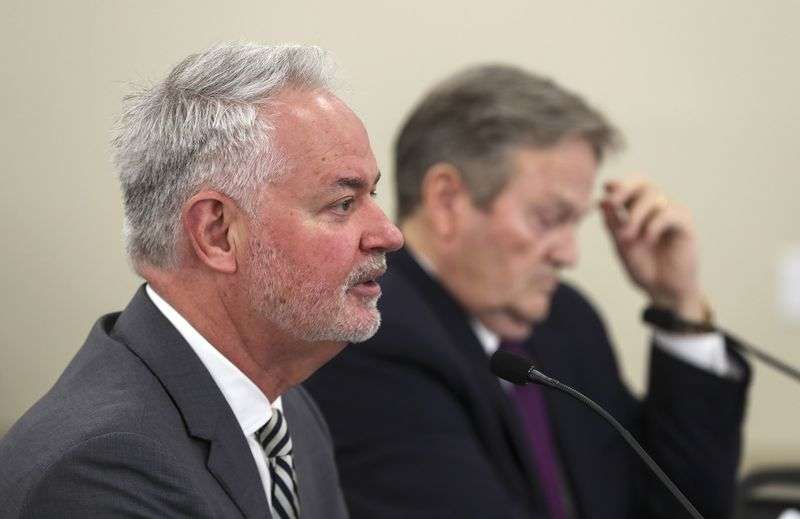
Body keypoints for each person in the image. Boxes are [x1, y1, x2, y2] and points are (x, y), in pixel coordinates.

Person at [305, 65, 751, 519]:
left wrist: (680, 305)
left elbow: (682, 506)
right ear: (446, 201)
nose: (569, 254)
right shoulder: (368, 334)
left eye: (575, 223)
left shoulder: (567, 320)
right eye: (548, 218)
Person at [0, 43, 403, 518]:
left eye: (371, 193)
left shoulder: (288, 410)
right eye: (342, 204)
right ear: (217, 233)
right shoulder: (99, 470)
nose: (389, 235)